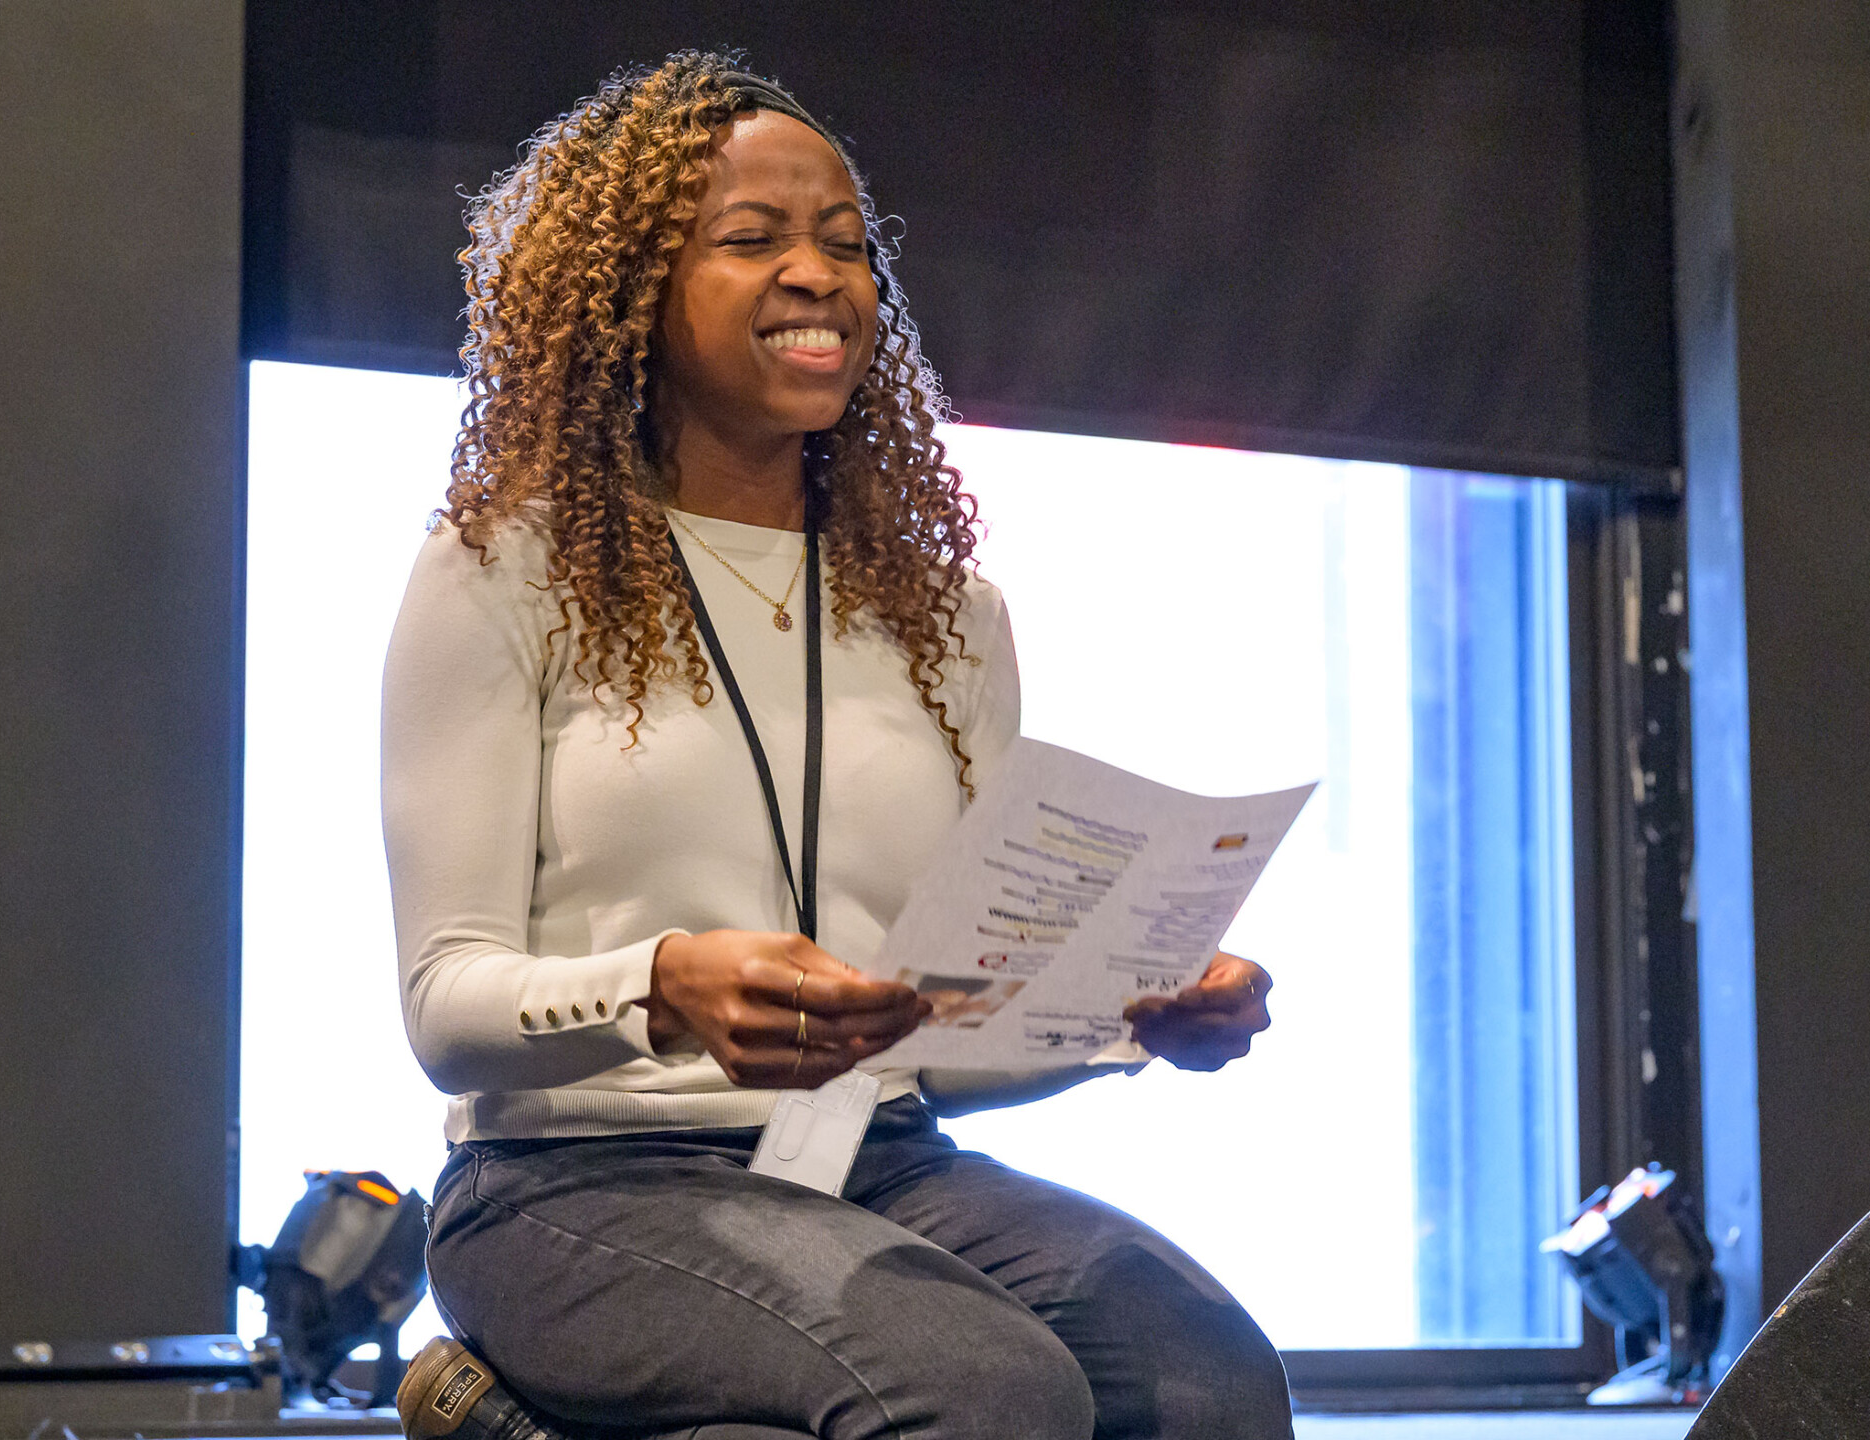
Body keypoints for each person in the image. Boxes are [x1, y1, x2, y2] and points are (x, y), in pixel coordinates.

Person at [381, 53, 1293, 1440]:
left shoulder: (946, 617)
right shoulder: (505, 571)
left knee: (1206, 1381)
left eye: (848, 245)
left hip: (876, 1160)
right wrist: (664, 986)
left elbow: (946, 1039)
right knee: (984, 1392)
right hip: (575, 1188)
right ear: (631, 292)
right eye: (752, 239)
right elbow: (447, 1013)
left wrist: (1130, 1017)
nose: (819, 273)